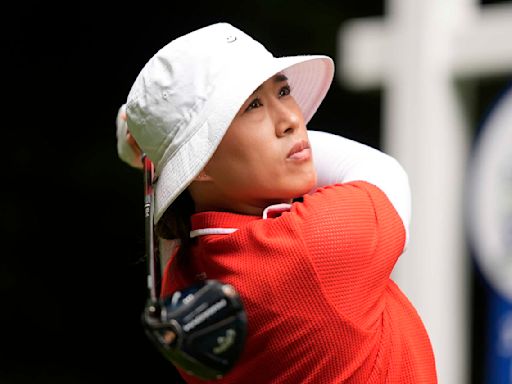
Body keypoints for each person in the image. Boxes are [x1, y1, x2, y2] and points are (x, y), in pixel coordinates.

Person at [116, 22, 437, 383]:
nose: (291, 120)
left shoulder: (182, 283)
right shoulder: (313, 249)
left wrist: (165, 151)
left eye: (283, 91)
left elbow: (186, 206)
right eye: (252, 105)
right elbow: (380, 170)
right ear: (200, 165)